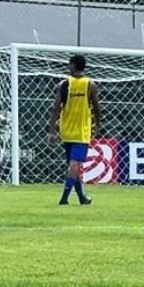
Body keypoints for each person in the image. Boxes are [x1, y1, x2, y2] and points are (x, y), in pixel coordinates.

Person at [48, 55, 101, 206]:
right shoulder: (91, 85)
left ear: (73, 65)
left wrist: (52, 131)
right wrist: (97, 125)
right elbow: (97, 108)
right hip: (82, 131)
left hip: (66, 130)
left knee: (73, 166)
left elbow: (56, 108)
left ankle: (81, 197)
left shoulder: (64, 84)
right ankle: (64, 197)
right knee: (74, 165)